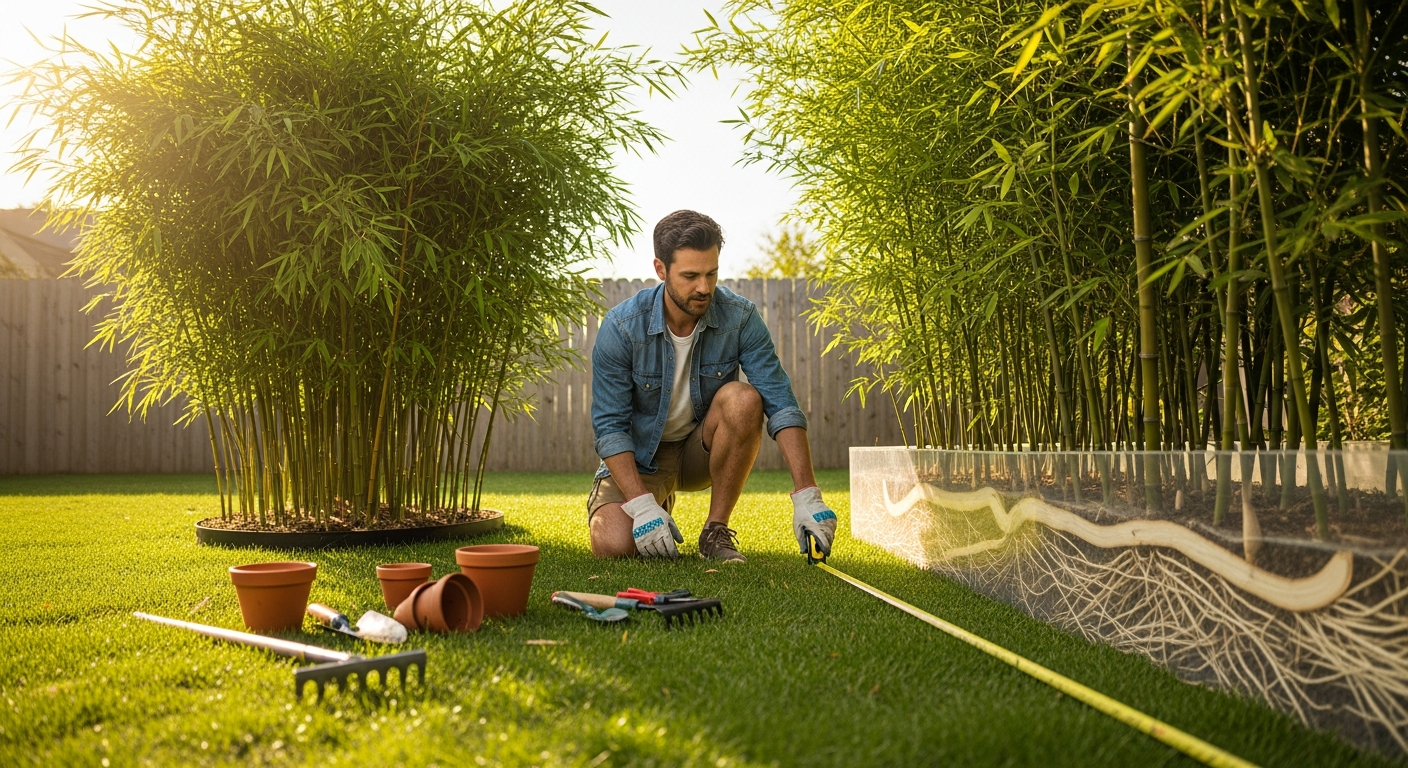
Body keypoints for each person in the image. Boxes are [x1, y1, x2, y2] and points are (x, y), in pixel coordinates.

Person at [587, 209, 838, 562]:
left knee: (743, 398)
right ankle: (655, 502)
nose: (703, 287)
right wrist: (640, 505)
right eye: (690, 276)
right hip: (643, 457)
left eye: (711, 273)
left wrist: (808, 493)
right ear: (661, 269)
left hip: (700, 448)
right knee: (615, 546)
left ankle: (715, 532)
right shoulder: (622, 326)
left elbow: (779, 400)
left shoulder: (740, 317)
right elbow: (610, 427)